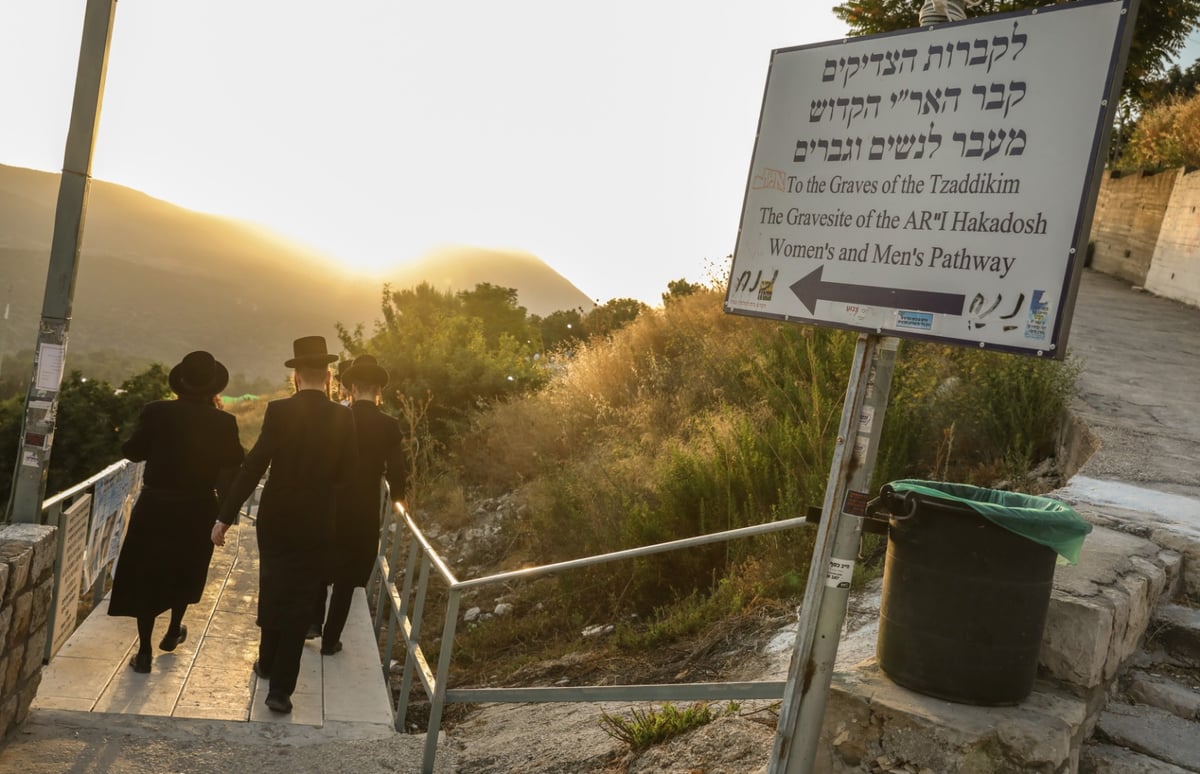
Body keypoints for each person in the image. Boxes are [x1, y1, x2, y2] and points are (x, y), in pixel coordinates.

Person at [212, 336, 357, 715]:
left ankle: (265, 659)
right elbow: (349, 476)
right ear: (327, 377)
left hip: (276, 516)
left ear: (296, 378)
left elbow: (254, 465)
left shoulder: (278, 411)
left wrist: (224, 517)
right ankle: (280, 689)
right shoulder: (344, 417)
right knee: (302, 597)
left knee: (274, 585)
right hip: (319, 518)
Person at [109, 351, 245, 674]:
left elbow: (132, 451)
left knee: (148, 572)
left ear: (180, 383)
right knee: (185, 568)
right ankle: (174, 629)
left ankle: (143, 652)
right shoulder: (224, 422)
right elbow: (234, 460)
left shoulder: (156, 412)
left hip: (155, 505)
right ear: (213, 388)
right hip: (198, 506)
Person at [319, 354, 407, 656]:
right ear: (379, 391)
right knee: (346, 577)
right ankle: (330, 639)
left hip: (331, 501)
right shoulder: (389, 425)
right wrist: (399, 500)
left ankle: (310, 620)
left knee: (320, 562)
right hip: (364, 507)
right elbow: (397, 469)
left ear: (352, 387)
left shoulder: (335, 416)